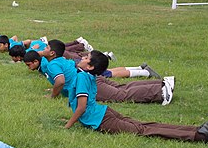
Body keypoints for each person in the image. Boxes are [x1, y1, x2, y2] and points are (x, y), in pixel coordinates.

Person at [65, 50, 208, 144]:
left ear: (90, 66)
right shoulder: (87, 75)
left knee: (145, 129)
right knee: (146, 125)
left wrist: (68, 125)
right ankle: (199, 130)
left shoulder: (82, 77)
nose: (82, 58)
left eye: (86, 58)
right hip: (104, 112)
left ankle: (199, 135)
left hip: (101, 119)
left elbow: (81, 107)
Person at [26, 42, 174, 105]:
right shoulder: (60, 60)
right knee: (122, 88)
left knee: (121, 95)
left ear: (52, 52)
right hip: (91, 79)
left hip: (87, 84)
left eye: (46, 47)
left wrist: (53, 95)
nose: (43, 48)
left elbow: (60, 81)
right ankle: (161, 84)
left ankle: (160, 91)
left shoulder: (52, 65)